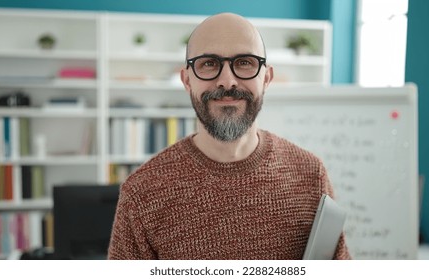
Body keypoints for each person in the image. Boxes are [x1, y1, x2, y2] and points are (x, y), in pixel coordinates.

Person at [107, 12, 351, 260]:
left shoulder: (311, 175)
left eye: (244, 62)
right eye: (209, 63)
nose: (227, 81)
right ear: (187, 80)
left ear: (266, 78)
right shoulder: (141, 193)